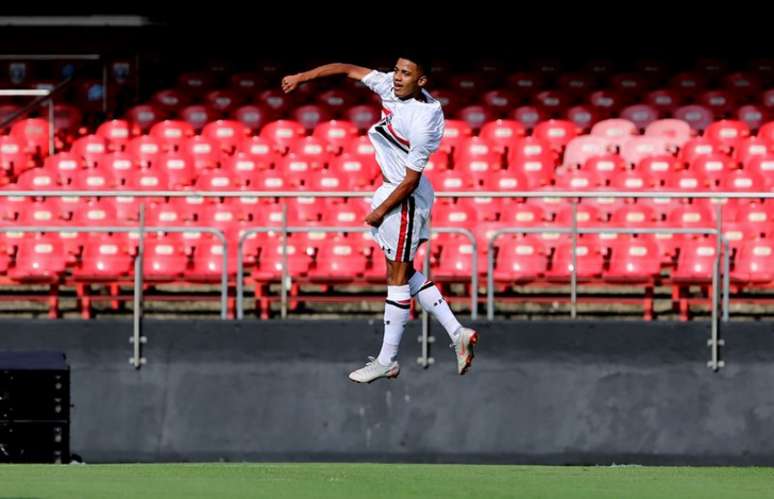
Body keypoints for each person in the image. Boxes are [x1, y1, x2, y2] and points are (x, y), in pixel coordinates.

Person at [282, 55, 478, 383]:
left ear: (422, 81)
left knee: (397, 279)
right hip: (392, 189)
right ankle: (457, 332)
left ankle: (387, 359)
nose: (397, 77)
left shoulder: (425, 119)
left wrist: (379, 210)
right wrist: (302, 76)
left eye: (406, 73)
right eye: (397, 70)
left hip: (405, 198)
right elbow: (346, 68)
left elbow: (411, 180)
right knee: (402, 271)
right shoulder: (389, 85)